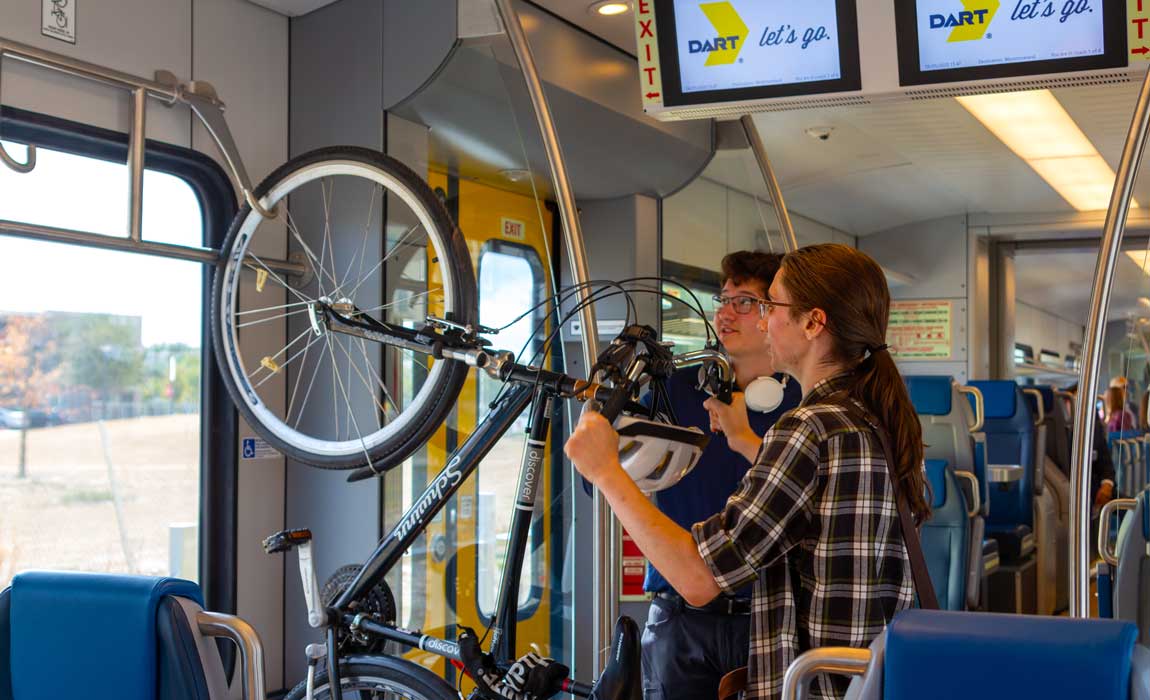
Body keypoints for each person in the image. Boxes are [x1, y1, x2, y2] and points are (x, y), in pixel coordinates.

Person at [567, 244, 927, 700]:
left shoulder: (809, 427)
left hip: (815, 686)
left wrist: (607, 472)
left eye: (769, 307)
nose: (760, 321)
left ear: (813, 323)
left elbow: (698, 580)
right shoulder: (872, 415)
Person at [639, 251, 801, 700]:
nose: (726, 312)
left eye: (744, 302)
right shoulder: (673, 390)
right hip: (679, 615)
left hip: (768, 615)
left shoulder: (804, 406)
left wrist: (744, 438)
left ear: (777, 314)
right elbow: (606, 474)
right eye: (723, 299)